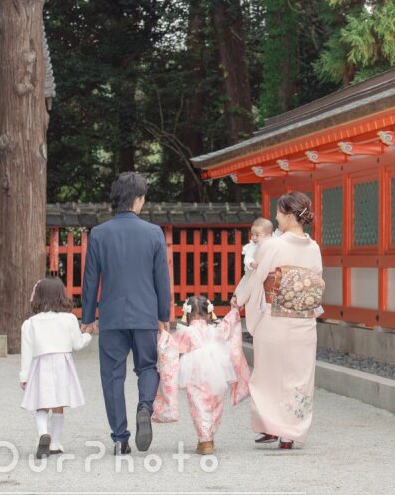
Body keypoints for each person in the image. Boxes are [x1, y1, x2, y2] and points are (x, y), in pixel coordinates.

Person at [81, 172, 171, 455]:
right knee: (147, 366)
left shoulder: (99, 233)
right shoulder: (154, 232)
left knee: (112, 376)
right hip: (145, 313)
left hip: (111, 316)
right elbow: (161, 279)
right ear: (137, 199)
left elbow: (91, 278)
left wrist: (87, 318)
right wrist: (163, 315)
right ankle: (144, 406)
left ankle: (121, 438)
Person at [233, 191, 323, 449]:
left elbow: (255, 277)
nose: (275, 217)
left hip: (275, 321)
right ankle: (289, 433)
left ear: (289, 214)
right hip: (303, 322)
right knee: (298, 377)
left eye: (279, 212)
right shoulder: (313, 247)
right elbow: (314, 283)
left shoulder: (273, 245)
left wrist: (238, 298)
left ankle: (271, 427)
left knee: (267, 376)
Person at [152, 295, 251, 455]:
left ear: (188, 315)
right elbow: (228, 325)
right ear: (208, 313)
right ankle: (209, 437)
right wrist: (234, 311)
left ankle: (204, 440)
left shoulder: (187, 332)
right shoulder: (216, 329)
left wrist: (163, 332)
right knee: (216, 403)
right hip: (218, 369)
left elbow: (169, 345)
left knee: (198, 405)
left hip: (194, 371)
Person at [20, 277, 93, 459]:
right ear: (61, 295)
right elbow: (77, 344)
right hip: (62, 363)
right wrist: (88, 334)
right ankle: (55, 443)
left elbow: (26, 352)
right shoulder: (69, 319)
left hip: (40, 364)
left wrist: (24, 376)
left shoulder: (30, 323)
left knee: (42, 403)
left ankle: (43, 433)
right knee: (59, 404)